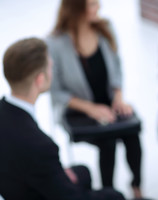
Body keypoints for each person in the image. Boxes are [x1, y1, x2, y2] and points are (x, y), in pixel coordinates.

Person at [47, 0, 142, 198]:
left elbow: (117, 68)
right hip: (77, 111)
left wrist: (118, 96)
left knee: (132, 132)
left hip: (108, 102)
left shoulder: (105, 28)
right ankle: (108, 193)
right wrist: (91, 109)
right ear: (76, 7)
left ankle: (136, 188)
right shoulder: (55, 43)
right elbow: (56, 91)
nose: (98, 7)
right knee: (107, 141)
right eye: (92, 3)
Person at [0, 38, 125, 200]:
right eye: (51, 66)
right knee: (114, 195)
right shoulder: (41, 146)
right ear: (40, 80)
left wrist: (55, 172)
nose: (52, 69)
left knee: (83, 172)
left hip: (16, 185)